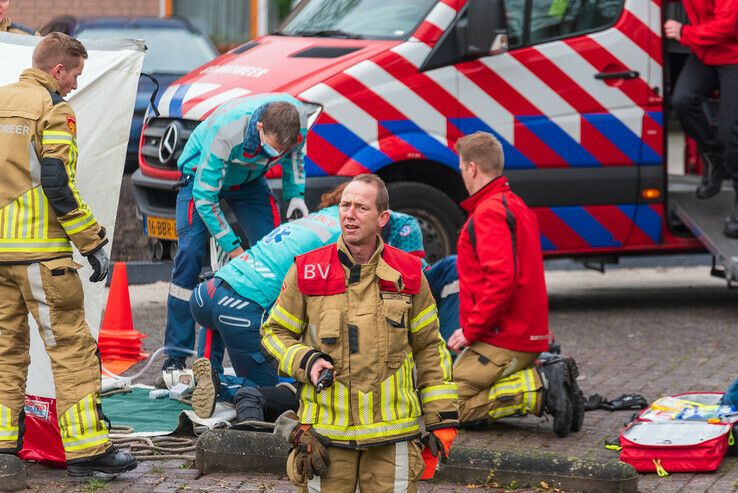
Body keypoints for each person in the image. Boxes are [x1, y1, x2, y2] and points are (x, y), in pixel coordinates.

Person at [262, 174, 458, 491]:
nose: (350, 214)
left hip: (392, 437)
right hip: (325, 436)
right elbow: (274, 334)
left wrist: (442, 419)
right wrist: (306, 361)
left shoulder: (408, 275)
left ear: (382, 218)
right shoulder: (308, 271)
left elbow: (430, 349)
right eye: (345, 205)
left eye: (361, 207)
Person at [0, 33, 136, 475]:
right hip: (43, 257)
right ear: (57, 70)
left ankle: (3, 445)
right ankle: (86, 451)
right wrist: (92, 241)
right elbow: (59, 183)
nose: (76, 84)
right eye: (75, 74)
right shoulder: (54, 109)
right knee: (71, 350)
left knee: (5, 349)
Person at [188, 183, 427, 419]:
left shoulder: (322, 217)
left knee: (218, 320)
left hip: (207, 292)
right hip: (240, 306)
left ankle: (207, 376)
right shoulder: (348, 239)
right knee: (279, 395)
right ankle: (224, 387)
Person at [447, 132, 583, 437]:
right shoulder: (515, 206)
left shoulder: (489, 213)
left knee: (447, 404)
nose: (462, 175)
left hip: (505, 338)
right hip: (522, 334)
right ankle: (544, 376)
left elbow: (501, 280)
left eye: (461, 168)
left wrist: (471, 330)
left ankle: (542, 387)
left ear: (472, 168)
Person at [162, 93, 310, 371]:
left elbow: (294, 158)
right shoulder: (228, 130)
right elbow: (205, 199)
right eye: (271, 149)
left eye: (280, 150)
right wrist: (234, 249)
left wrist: (295, 195)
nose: (275, 156)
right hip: (200, 176)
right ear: (260, 128)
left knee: (276, 254)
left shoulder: (298, 121)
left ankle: (276, 347)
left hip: (249, 180)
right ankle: (175, 356)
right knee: (190, 255)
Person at [665, 1, 738, 237]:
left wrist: (683, 32)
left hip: (733, 55)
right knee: (683, 101)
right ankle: (714, 158)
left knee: (731, 137)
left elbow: (725, 26)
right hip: (704, 51)